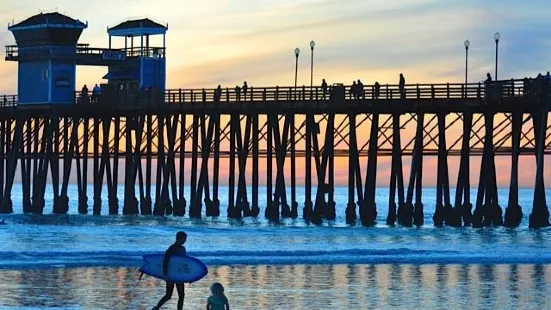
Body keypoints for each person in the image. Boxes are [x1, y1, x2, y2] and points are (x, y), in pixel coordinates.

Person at [153, 231, 188, 310]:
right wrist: (165, 273)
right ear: (178, 238)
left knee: (181, 295)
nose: (185, 241)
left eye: (185, 239)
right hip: (170, 274)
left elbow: (184, 262)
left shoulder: (183, 249)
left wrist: (188, 276)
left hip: (179, 274)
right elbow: (165, 261)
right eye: (184, 239)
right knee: (169, 295)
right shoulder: (171, 248)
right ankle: (157, 307)